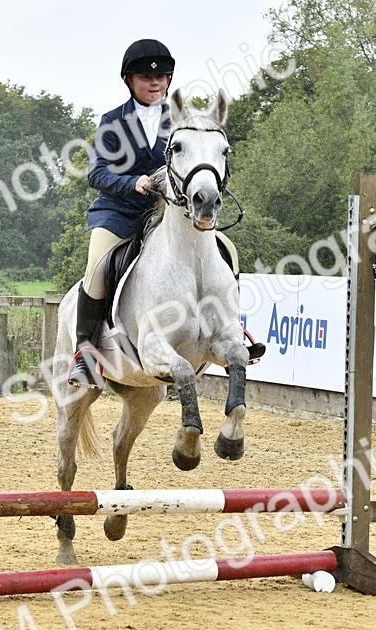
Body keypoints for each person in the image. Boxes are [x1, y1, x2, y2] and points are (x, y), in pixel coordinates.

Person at [68, 39, 261, 387]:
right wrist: (133, 183)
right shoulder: (113, 122)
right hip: (120, 213)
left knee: (226, 251)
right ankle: (85, 351)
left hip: (172, 215)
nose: (155, 83)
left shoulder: (182, 121)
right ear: (129, 80)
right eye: (146, 77)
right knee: (97, 266)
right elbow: (96, 173)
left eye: (163, 77)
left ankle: (232, 327)